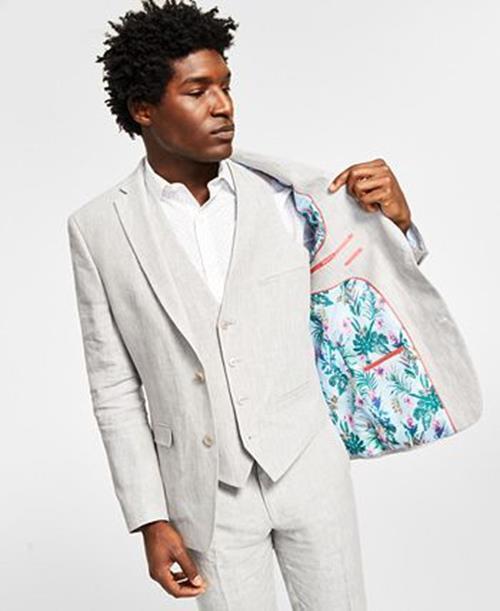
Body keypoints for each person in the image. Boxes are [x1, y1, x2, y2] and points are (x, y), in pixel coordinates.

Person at [67, 1, 429, 608]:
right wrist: (150, 517)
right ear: (144, 109)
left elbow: (368, 291)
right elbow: (114, 387)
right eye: (198, 91)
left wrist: (400, 221)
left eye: (226, 86)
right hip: (206, 494)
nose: (224, 106)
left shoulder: (289, 195)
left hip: (308, 466)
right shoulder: (98, 228)